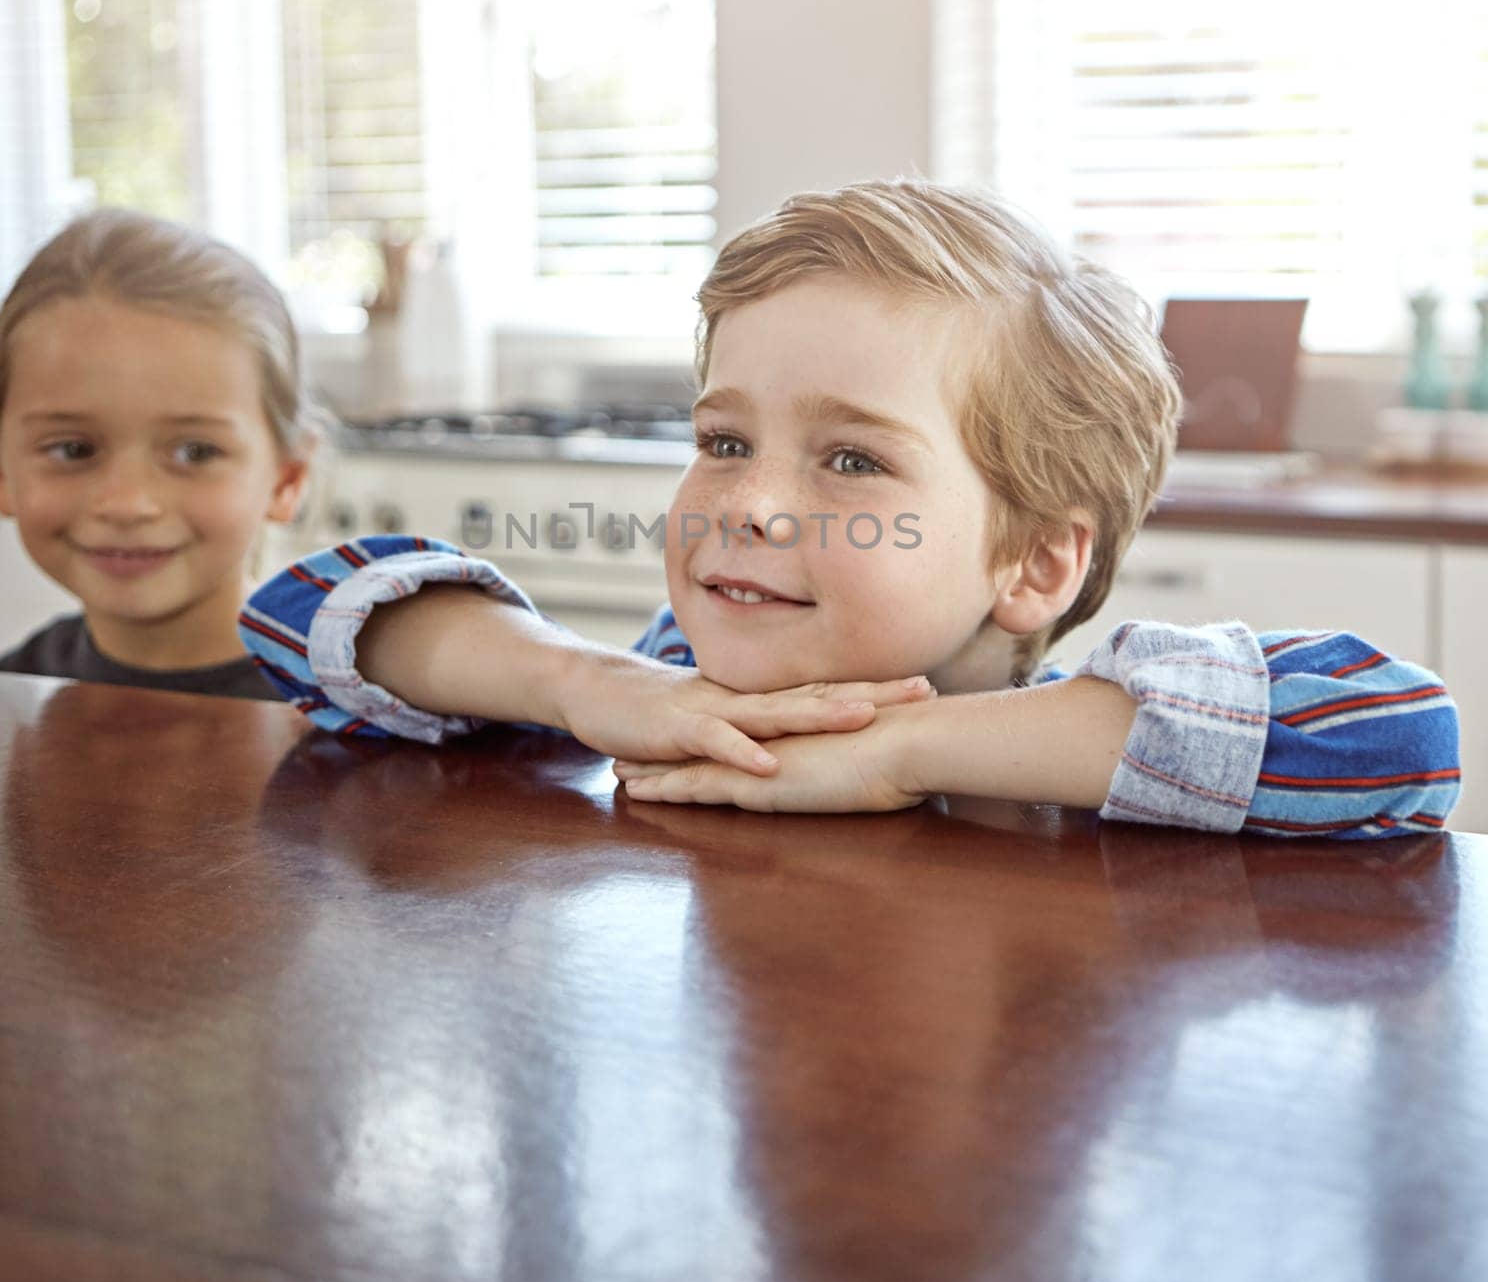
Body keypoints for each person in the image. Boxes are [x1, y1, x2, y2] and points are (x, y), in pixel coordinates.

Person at [240, 182, 1460, 837]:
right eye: (723, 440)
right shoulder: (679, 693)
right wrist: (582, 683)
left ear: (1033, 562)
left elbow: (1402, 732)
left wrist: (900, 751)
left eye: (853, 464)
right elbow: (298, 610)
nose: (750, 504)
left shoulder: (1072, 763)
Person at [0, 208, 315, 700]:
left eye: (196, 452)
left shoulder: (345, 717)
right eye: (74, 449)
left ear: (285, 479)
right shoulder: (12, 693)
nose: (127, 504)